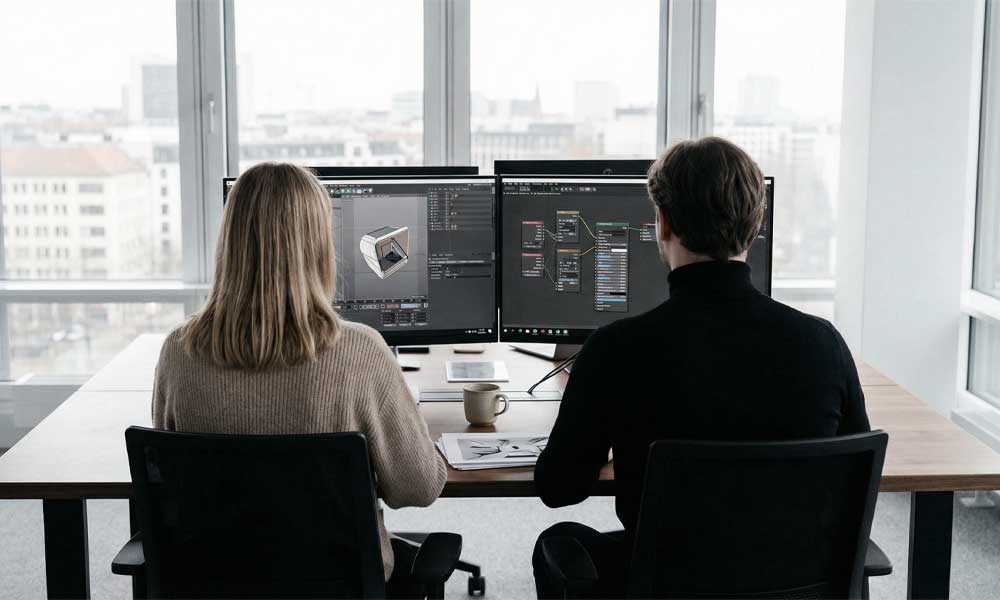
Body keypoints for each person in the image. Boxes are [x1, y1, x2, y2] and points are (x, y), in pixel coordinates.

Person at [531, 137, 870, 598]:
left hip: (665, 583)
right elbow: (852, 478)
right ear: (755, 227)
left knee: (558, 543)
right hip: (790, 583)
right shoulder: (823, 344)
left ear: (663, 224)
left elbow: (558, 488)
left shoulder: (617, 349)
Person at [152, 162, 446, 597]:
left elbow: (165, 476)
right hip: (340, 586)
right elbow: (418, 488)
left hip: (212, 585)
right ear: (319, 244)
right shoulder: (361, 353)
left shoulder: (179, 351)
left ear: (229, 240)